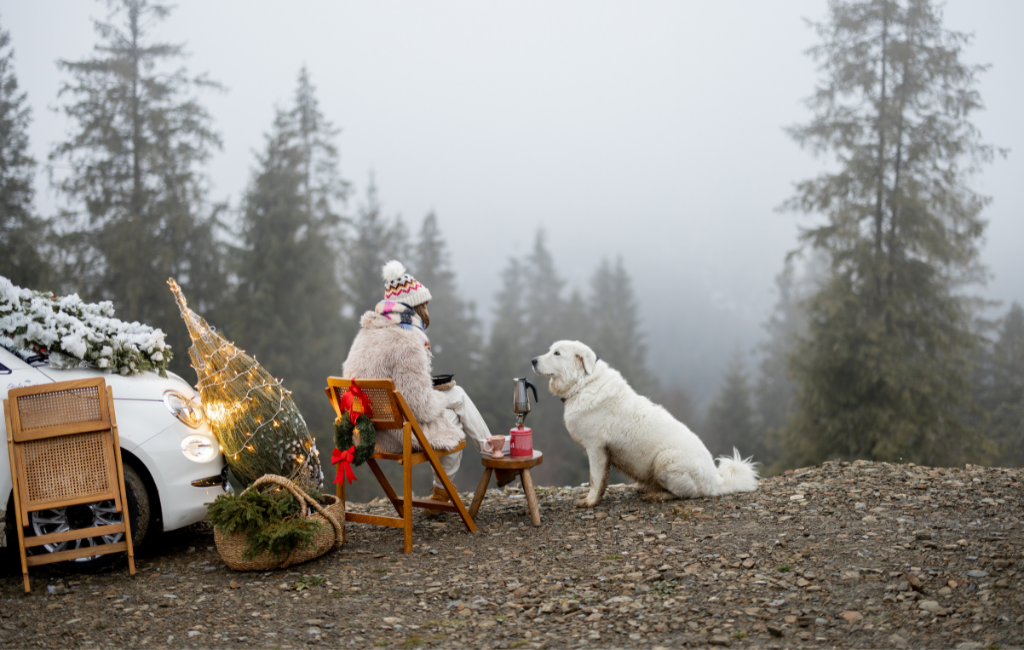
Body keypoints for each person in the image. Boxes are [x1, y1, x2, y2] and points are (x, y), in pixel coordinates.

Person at [341, 260, 493, 505]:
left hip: (366, 430)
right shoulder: (408, 341)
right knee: (457, 403)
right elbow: (420, 407)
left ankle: (447, 490)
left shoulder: (365, 334)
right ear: (415, 307)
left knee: (455, 407)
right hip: (396, 435)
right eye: (425, 305)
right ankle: (491, 457)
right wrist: (442, 398)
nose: (427, 311)